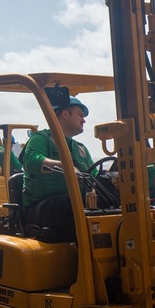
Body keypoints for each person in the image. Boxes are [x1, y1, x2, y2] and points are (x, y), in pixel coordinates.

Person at [21, 96, 95, 233]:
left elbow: (94, 175)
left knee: (109, 202)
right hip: (41, 207)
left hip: (70, 203)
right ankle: (85, 253)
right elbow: (32, 160)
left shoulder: (81, 148)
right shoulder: (40, 139)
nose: (84, 120)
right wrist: (64, 166)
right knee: (74, 205)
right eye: (80, 115)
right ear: (65, 114)